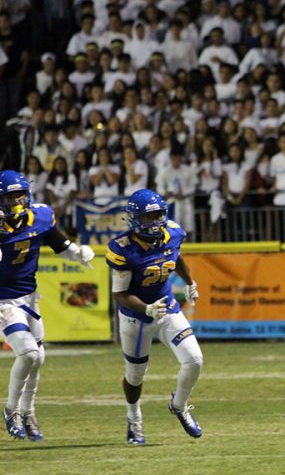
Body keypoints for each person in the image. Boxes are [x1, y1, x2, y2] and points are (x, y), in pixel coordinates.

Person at [0, 170, 95, 440]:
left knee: (38, 358)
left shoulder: (40, 216)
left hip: (29, 297)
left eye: (20, 195)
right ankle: (11, 410)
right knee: (28, 353)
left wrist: (77, 253)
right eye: (9, 198)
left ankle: (29, 413)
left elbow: (60, 243)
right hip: (3, 300)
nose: (17, 202)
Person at [105, 189, 203, 445]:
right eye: (149, 217)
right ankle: (133, 417)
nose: (156, 221)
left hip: (167, 307)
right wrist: (146, 309)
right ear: (136, 219)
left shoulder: (172, 233)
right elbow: (120, 294)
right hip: (135, 317)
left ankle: (179, 406)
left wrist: (189, 282)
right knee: (135, 376)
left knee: (194, 360)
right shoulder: (123, 249)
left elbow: (176, 257)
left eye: (159, 215)